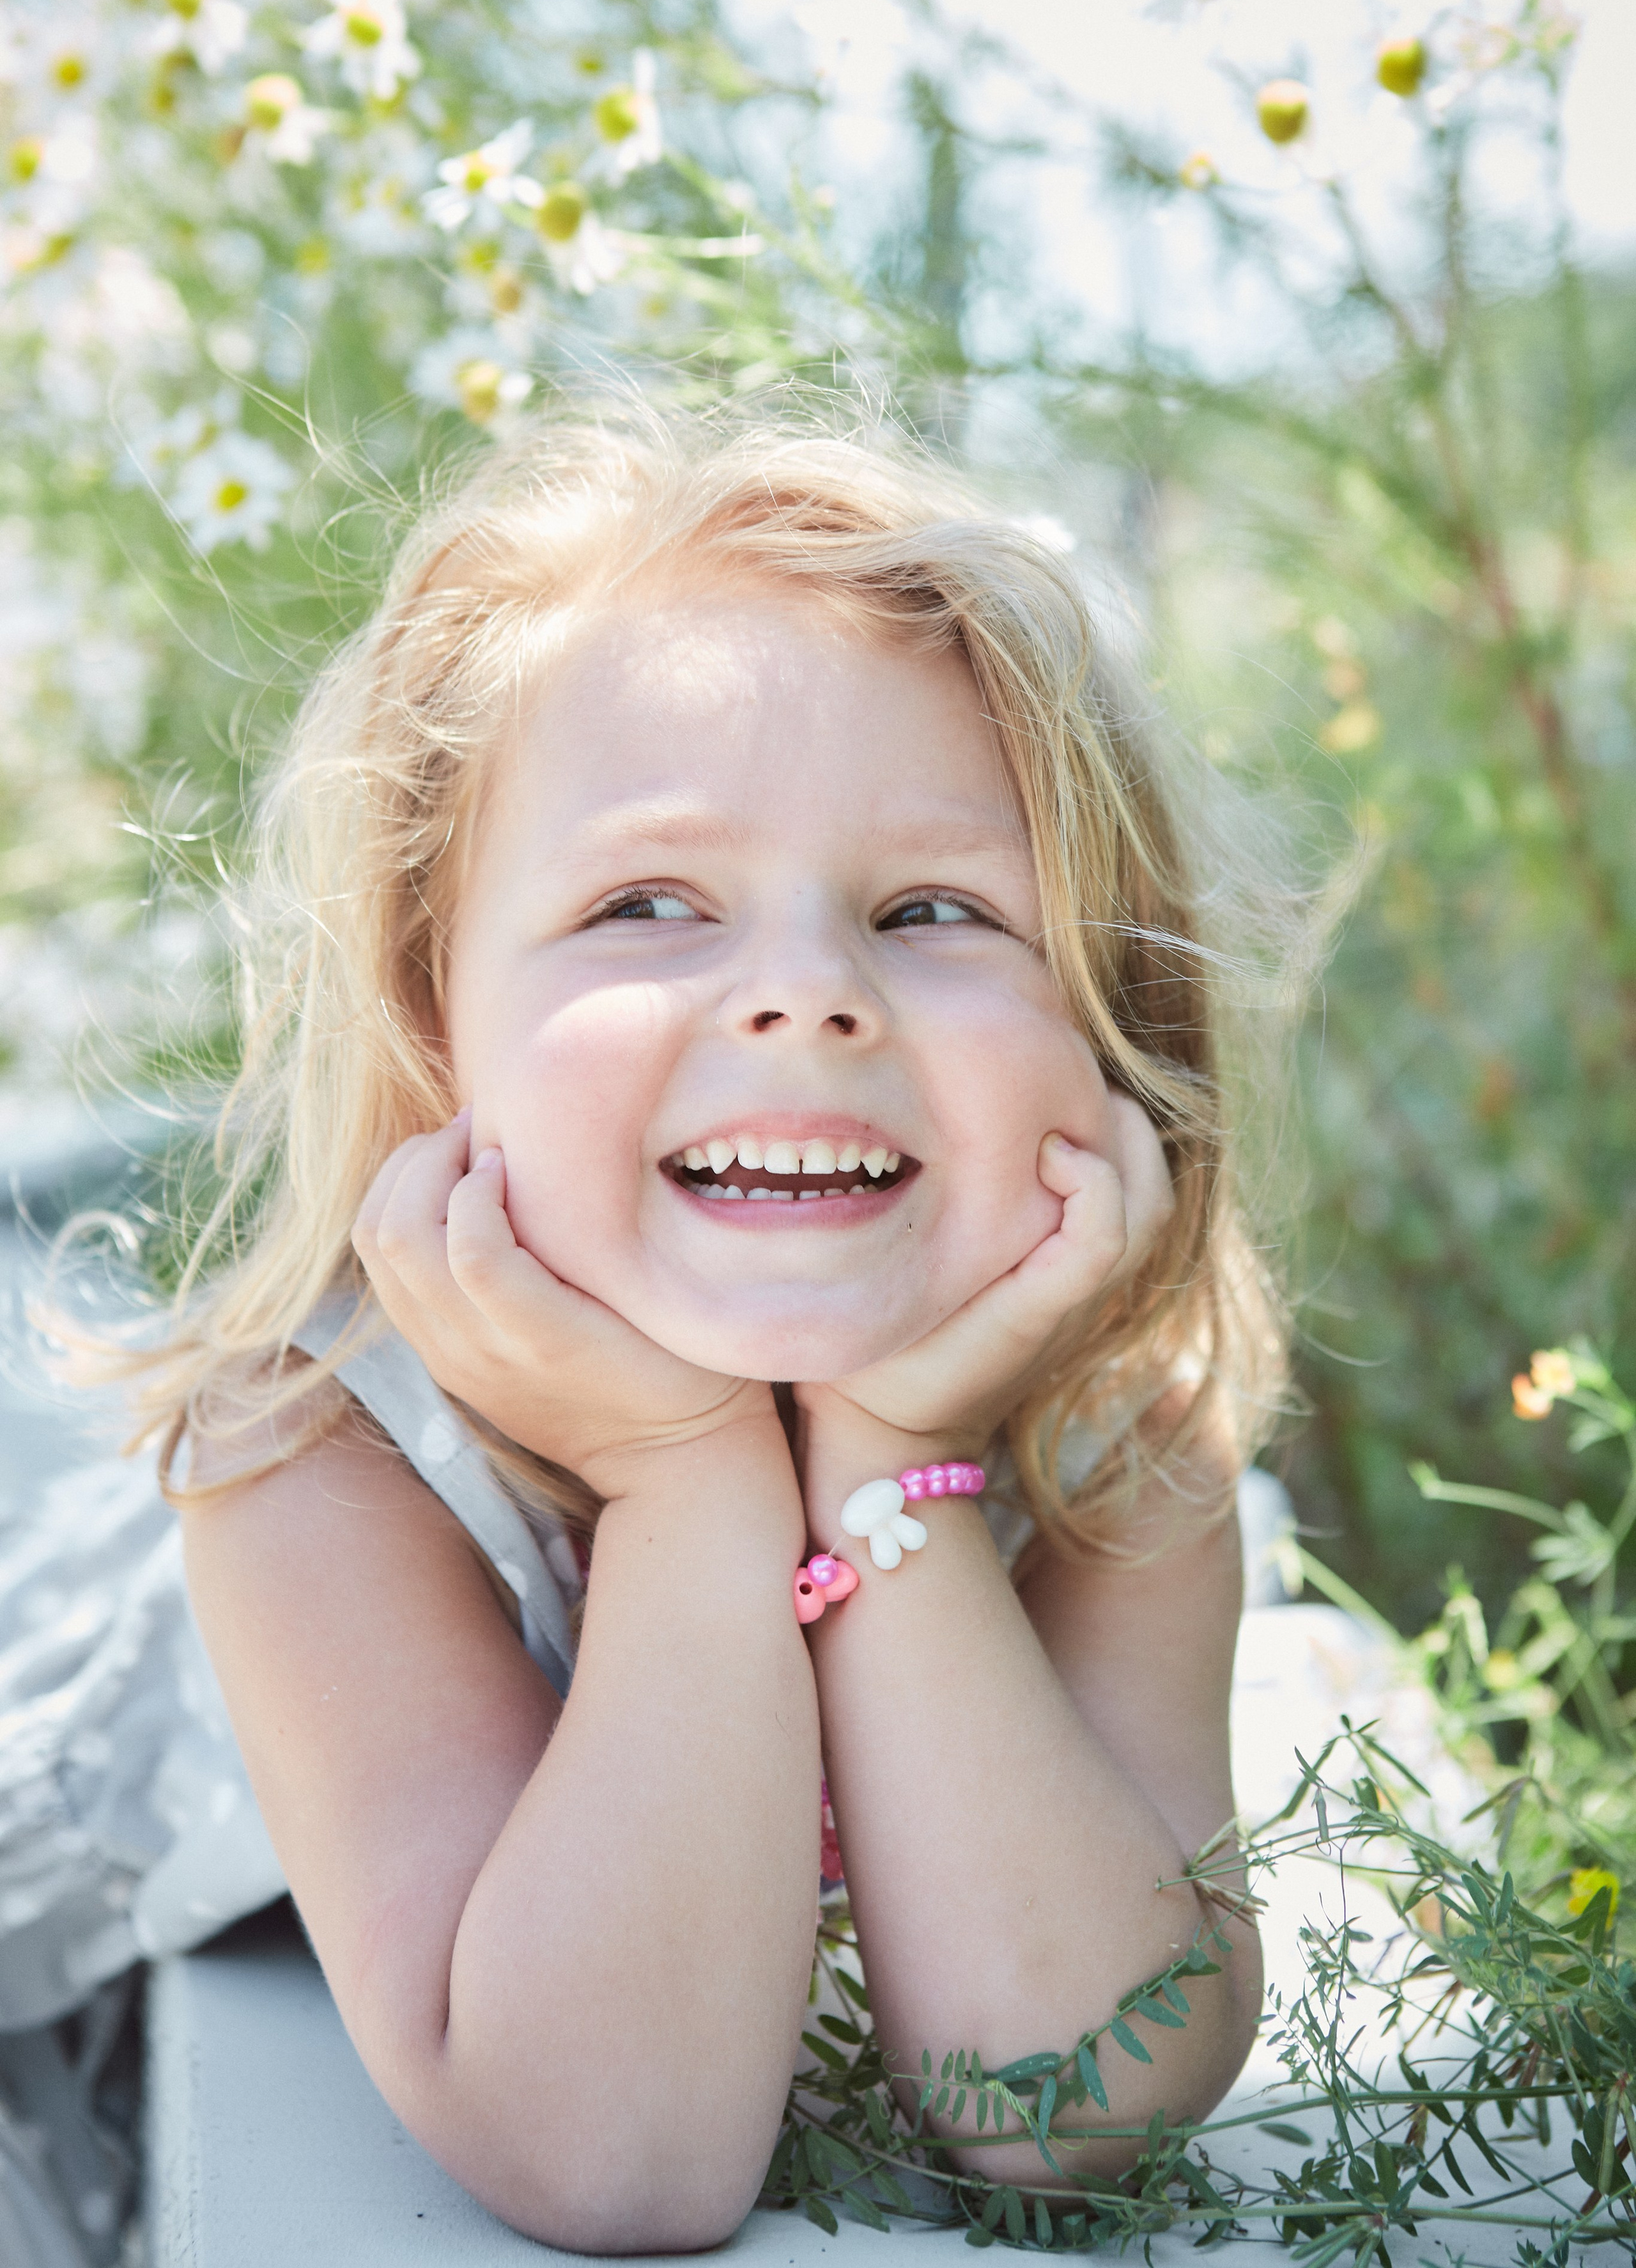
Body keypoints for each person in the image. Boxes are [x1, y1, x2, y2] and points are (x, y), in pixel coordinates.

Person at [4, 410, 1290, 2255]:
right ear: (433, 1015)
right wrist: (690, 1479)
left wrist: (877, 1465)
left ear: (1109, 1022)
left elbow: (1075, 2096)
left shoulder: (1116, 1451)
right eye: (647, 904)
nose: (806, 996)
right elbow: (617, 2151)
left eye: (936, 910)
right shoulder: (311, 1457)